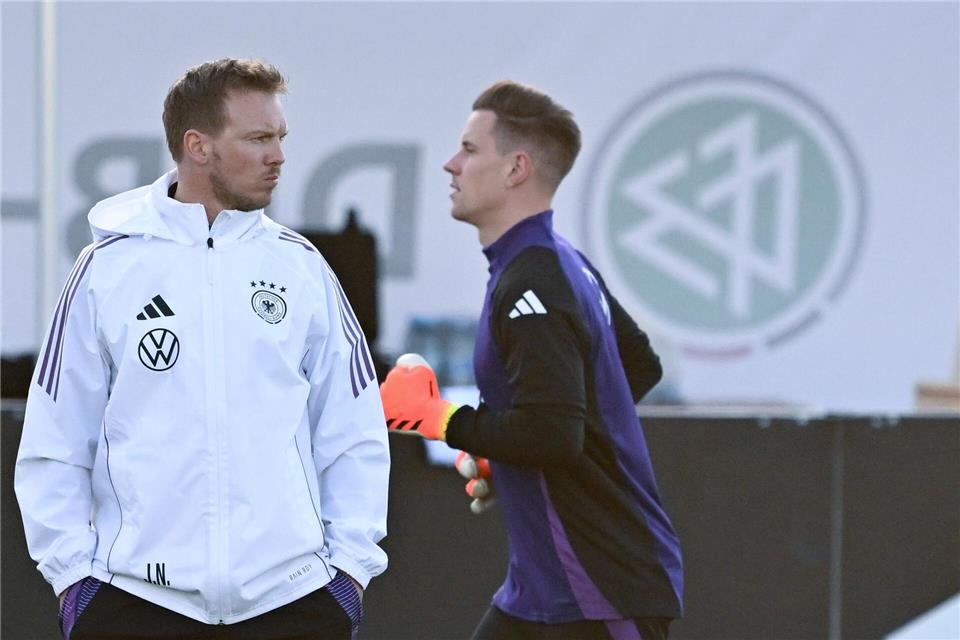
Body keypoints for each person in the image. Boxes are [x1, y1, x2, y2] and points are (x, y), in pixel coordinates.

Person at [15, 58, 390, 639]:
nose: (279, 156)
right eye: (259, 138)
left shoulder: (302, 268)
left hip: (293, 605)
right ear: (198, 145)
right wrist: (73, 582)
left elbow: (355, 429)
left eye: (281, 137)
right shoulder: (107, 269)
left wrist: (349, 574)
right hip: (133, 603)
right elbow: (55, 439)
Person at [380, 80, 683, 639]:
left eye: (470, 150)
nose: (450, 165)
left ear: (517, 168)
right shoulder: (555, 262)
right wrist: (509, 454)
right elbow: (634, 369)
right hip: (545, 590)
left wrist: (441, 419)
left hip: (599, 590)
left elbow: (553, 431)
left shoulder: (535, 277)